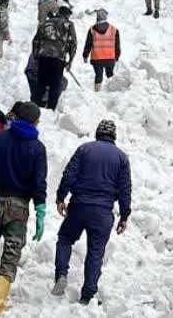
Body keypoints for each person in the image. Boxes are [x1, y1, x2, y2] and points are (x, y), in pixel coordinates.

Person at [52, 120, 132, 305]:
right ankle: (87, 296)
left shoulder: (84, 149)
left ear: (97, 133)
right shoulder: (121, 158)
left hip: (79, 206)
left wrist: (60, 197)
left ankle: (61, 274)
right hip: (103, 212)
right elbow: (125, 189)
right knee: (95, 252)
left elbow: (69, 174)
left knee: (65, 238)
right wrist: (124, 216)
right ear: (114, 137)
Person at [0, 101, 48, 315]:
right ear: (35, 121)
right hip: (19, 206)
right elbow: (39, 182)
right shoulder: (38, 148)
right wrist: (40, 209)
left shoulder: (0, 139)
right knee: (11, 253)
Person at [32, 2, 77, 110]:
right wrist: (70, 60)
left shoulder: (46, 23)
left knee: (41, 83)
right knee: (55, 84)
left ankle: (36, 106)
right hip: (58, 58)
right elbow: (73, 43)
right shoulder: (68, 24)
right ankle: (51, 108)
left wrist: (36, 55)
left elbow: (36, 40)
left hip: (43, 57)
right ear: (67, 15)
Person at [83, 9, 121, 92]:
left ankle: (97, 92)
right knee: (110, 75)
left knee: (98, 76)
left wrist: (85, 55)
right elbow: (117, 45)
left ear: (97, 18)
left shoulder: (92, 30)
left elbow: (88, 44)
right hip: (110, 58)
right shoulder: (114, 30)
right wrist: (117, 56)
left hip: (96, 58)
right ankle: (111, 92)